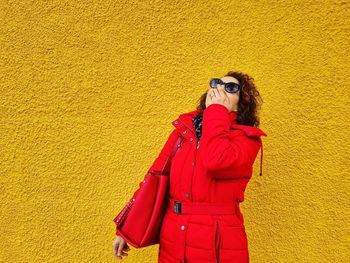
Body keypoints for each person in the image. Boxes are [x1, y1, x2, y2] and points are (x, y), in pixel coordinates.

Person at [112, 71, 267, 262]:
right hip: (174, 236)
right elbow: (153, 177)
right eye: (216, 83)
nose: (220, 89)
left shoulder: (247, 139)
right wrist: (126, 230)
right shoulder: (183, 132)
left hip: (217, 242)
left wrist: (217, 111)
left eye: (231, 88)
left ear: (241, 103)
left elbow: (216, 162)